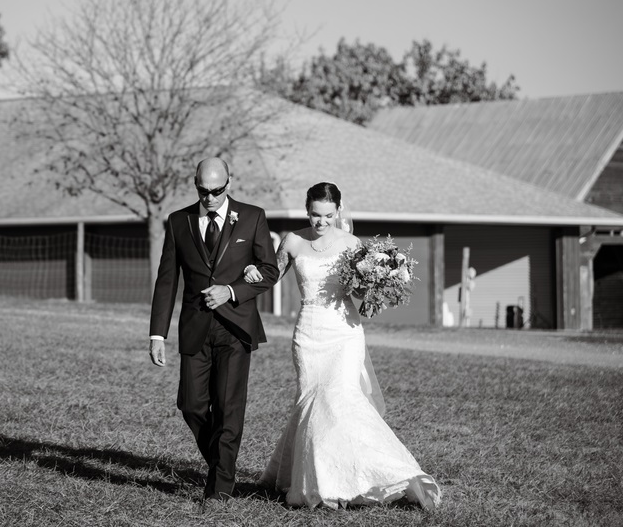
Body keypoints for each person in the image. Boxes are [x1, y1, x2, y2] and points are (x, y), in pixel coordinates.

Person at [248, 182, 441, 510]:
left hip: (344, 333)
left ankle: (387, 474)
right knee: (312, 402)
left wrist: (379, 288)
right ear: (306, 209)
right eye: (314, 214)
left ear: (338, 212)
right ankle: (321, 479)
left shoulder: (352, 245)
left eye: (327, 215)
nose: (320, 222)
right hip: (308, 336)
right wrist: (252, 270)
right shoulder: (293, 240)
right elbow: (271, 276)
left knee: (342, 400)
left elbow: (362, 298)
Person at [148, 158, 279, 511]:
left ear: (229, 183)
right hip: (194, 328)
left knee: (228, 408)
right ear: (195, 185)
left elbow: (270, 271)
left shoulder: (252, 217)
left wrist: (232, 290)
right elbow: (166, 280)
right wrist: (157, 335)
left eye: (217, 191)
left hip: (236, 329)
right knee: (190, 404)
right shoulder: (179, 221)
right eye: (203, 191)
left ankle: (219, 492)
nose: (209, 197)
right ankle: (224, 467)